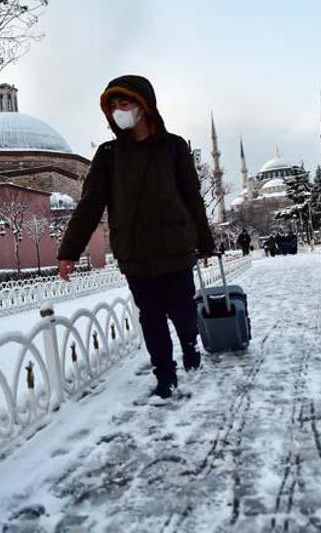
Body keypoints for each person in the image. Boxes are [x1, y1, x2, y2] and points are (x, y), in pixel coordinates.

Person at [57, 75, 215, 401]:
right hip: (135, 252)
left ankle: (190, 344)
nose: (118, 110)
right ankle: (165, 375)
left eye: (124, 102)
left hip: (175, 248)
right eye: (112, 105)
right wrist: (69, 251)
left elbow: (192, 198)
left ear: (144, 106)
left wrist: (205, 242)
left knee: (183, 312)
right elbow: (90, 205)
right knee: (151, 318)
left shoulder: (174, 147)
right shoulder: (109, 155)